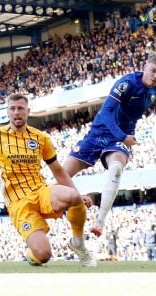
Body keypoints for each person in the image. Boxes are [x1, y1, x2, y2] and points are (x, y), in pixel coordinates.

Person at [0, 93, 96, 267]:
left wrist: (79, 194)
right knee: (43, 255)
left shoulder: (41, 138)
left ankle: (79, 244)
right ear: (7, 112)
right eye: (12, 108)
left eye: (20, 108)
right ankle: (32, 254)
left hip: (40, 192)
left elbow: (58, 170)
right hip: (19, 203)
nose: (16, 112)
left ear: (28, 111)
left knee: (73, 196)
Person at [63, 50, 156, 237]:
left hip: (121, 137)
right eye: (154, 70)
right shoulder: (127, 83)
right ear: (145, 66)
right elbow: (105, 113)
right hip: (100, 132)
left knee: (116, 169)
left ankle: (100, 221)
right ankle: (66, 208)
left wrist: (123, 137)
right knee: (62, 175)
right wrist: (122, 137)